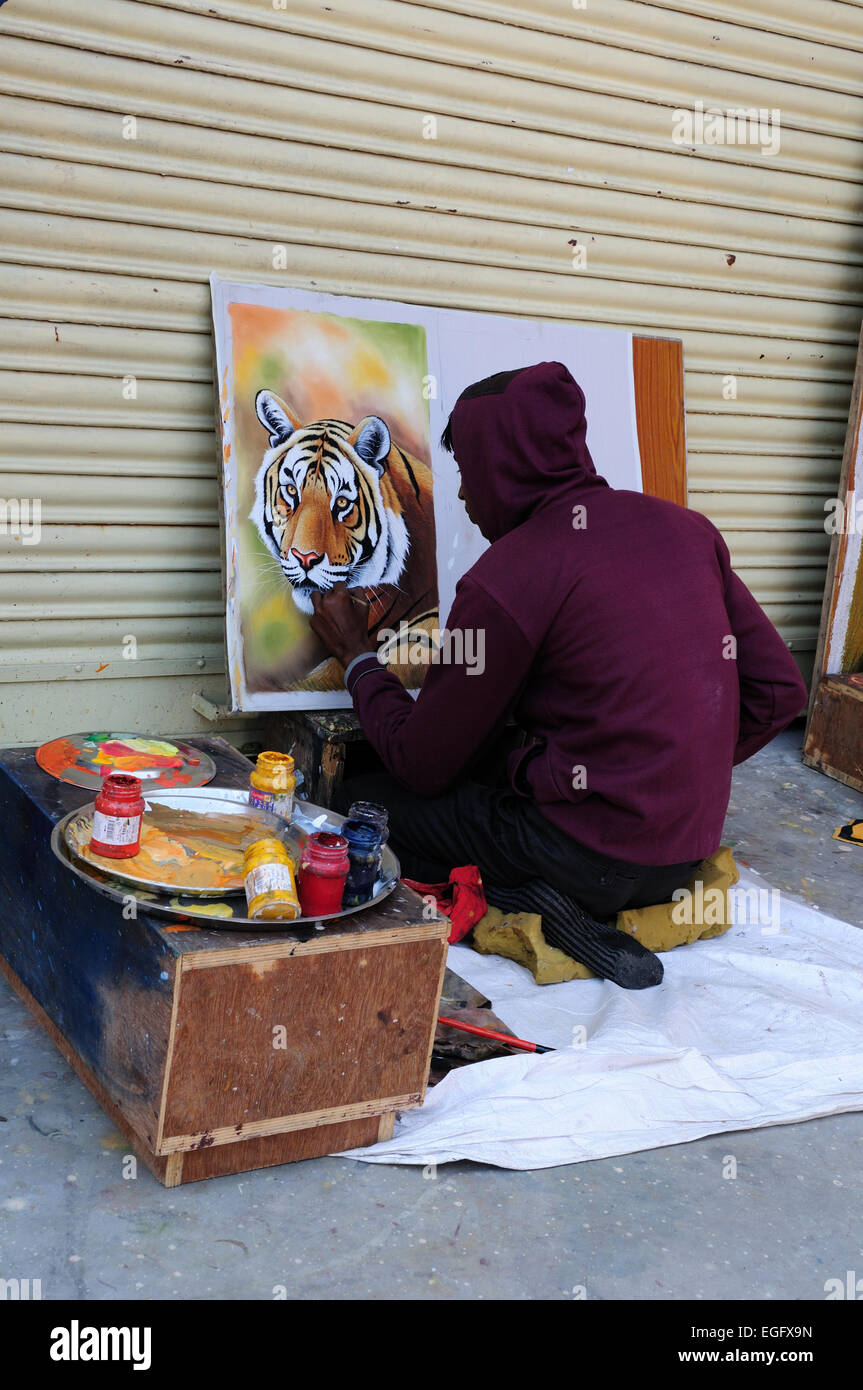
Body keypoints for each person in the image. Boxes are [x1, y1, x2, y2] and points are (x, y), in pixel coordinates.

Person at [310, 361, 807, 988]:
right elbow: (779, 693)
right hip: (685, 853)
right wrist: (668, 776)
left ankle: (537, 900)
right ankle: (572, 885)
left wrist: (359, 659)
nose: (462, 496)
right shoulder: (685, 529)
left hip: (587, 861)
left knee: (369, 805)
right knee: (499, 765)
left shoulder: (508, 576)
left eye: (466, 472)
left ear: (501, 466)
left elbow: (420, 761)